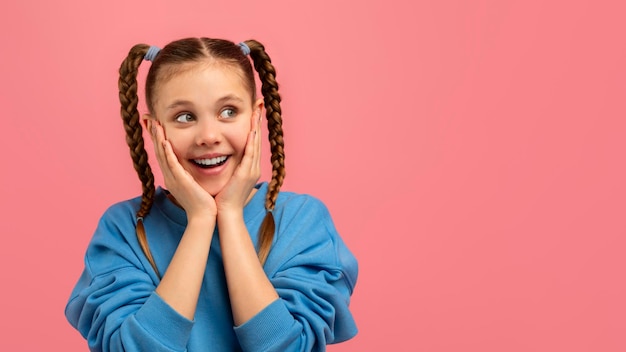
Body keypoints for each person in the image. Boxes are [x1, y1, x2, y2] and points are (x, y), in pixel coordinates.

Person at [64, 37, 358, 351]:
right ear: (153, 129)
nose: (208, 136)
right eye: (185, 117)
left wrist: (230, 215)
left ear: (255, 116)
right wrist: (201, 219)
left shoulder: (300, 221)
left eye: (228, 111)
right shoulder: (123, 228)